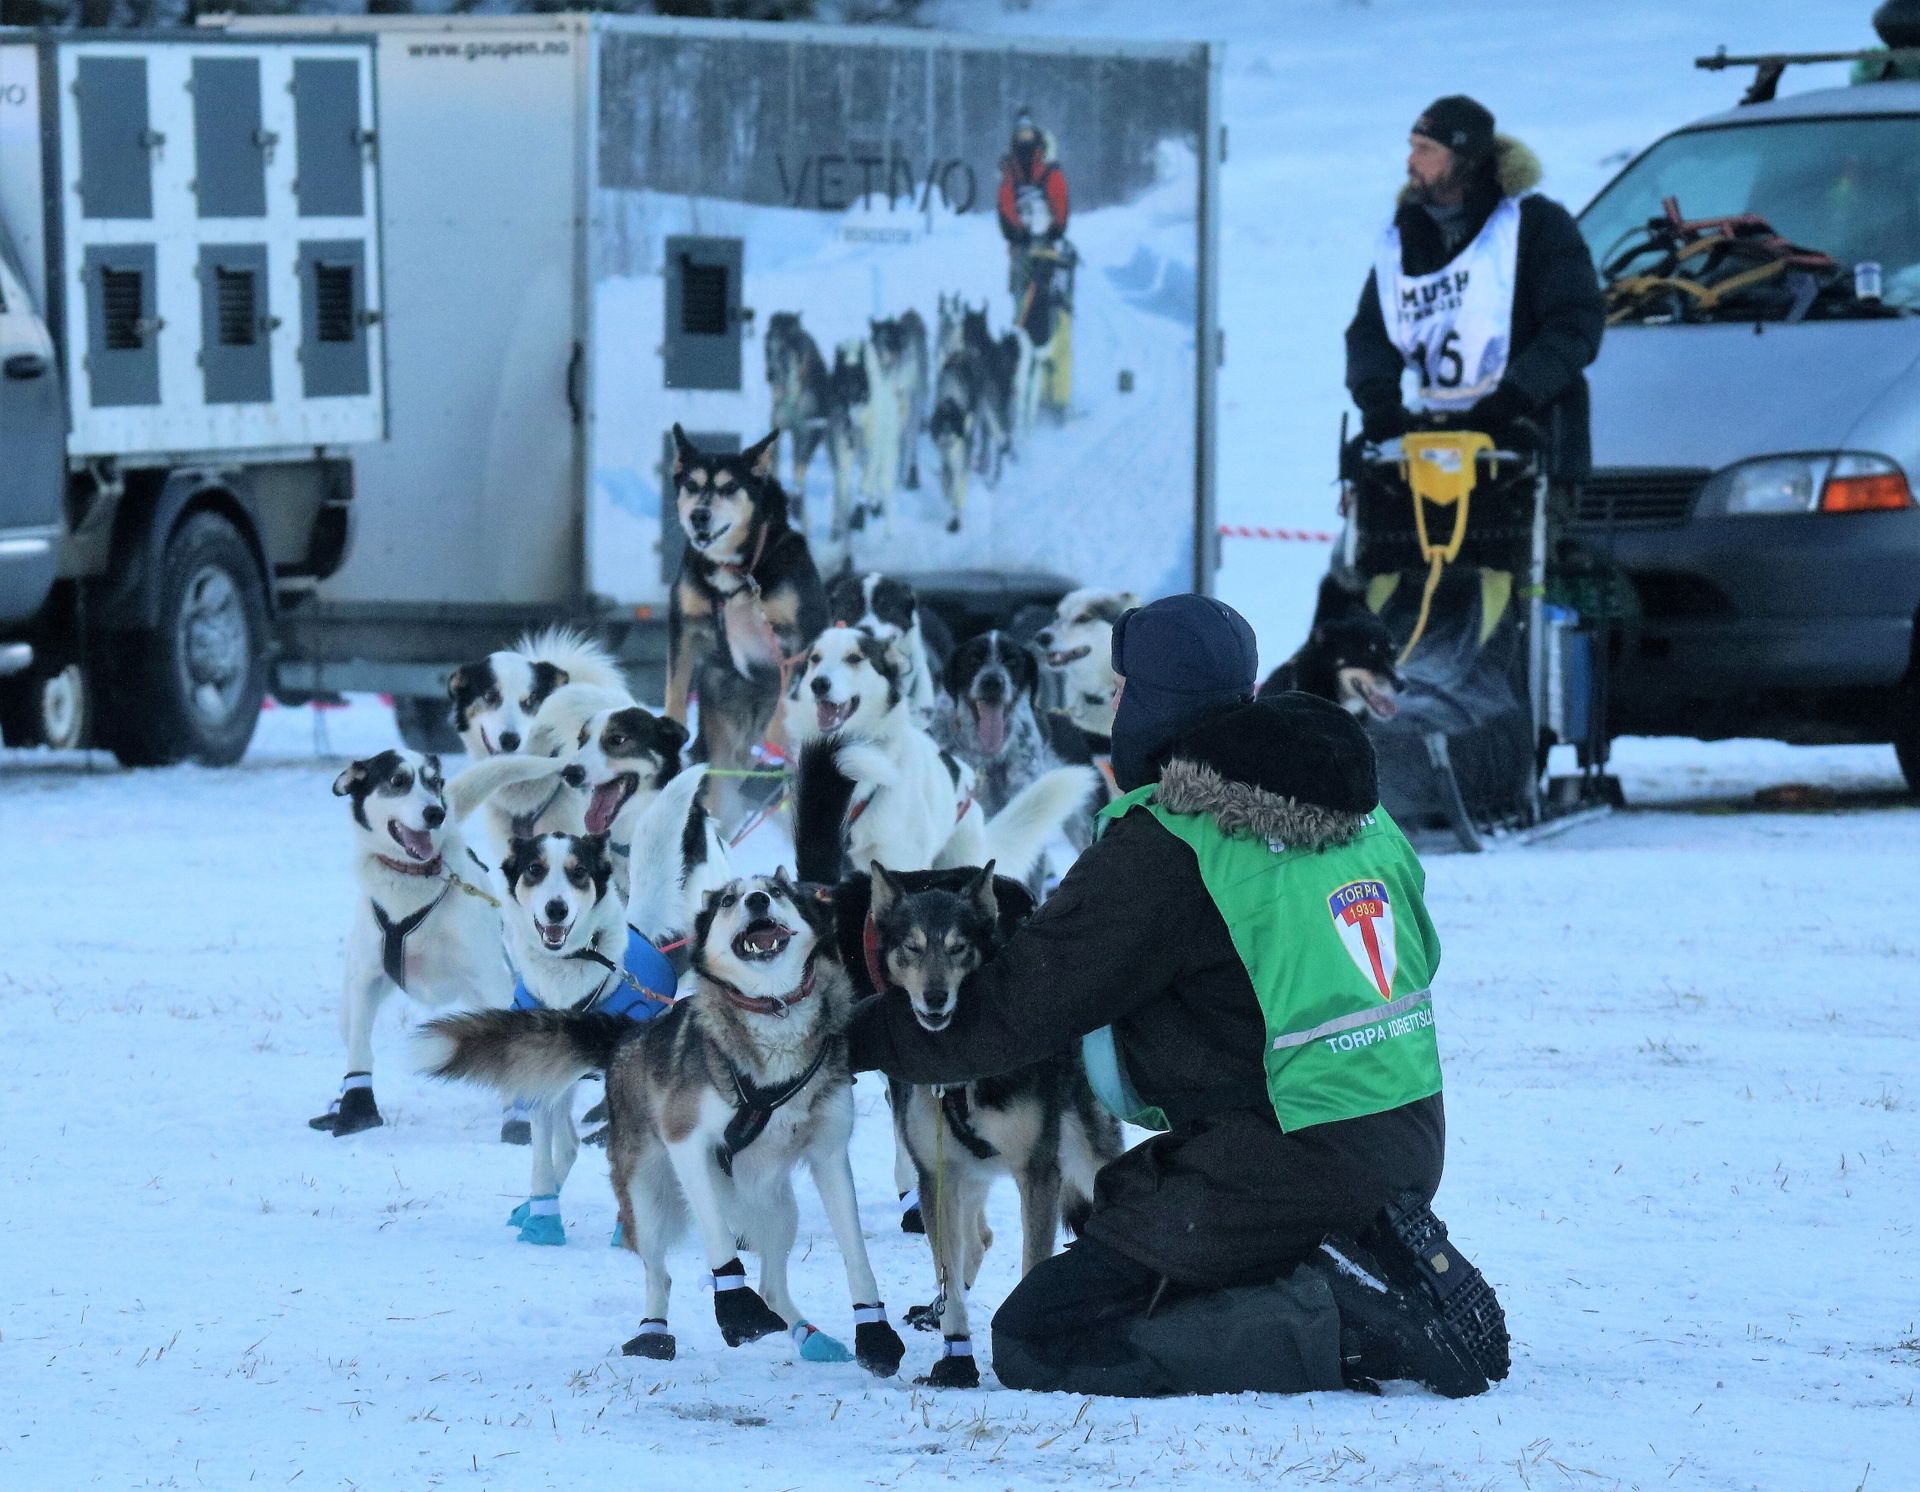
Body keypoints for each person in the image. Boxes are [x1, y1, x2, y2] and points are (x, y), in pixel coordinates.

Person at [849, 593, 1510, 1399]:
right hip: (1402, 1128)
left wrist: (844, 1038)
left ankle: (1349, 1317)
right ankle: (1346, 1249)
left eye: (1122, 688)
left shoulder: (1174, 839)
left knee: (1046, 1333)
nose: (1113, 704)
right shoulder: (1359, 815)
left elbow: (1015, 1013)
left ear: (1156, 702)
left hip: (1298, 1152)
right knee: (1127, 1202)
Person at [1345, 95, 1604, 481]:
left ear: (1464, 159)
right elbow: (1371, 329)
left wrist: (1517, 395)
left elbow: (1575, 324)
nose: (1410, 162)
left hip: (1531, 443)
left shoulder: (1535, 225)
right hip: (1432, 442)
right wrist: (1378, 398)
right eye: (1412, 148)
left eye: (1426, 150)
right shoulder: (1406, 236)